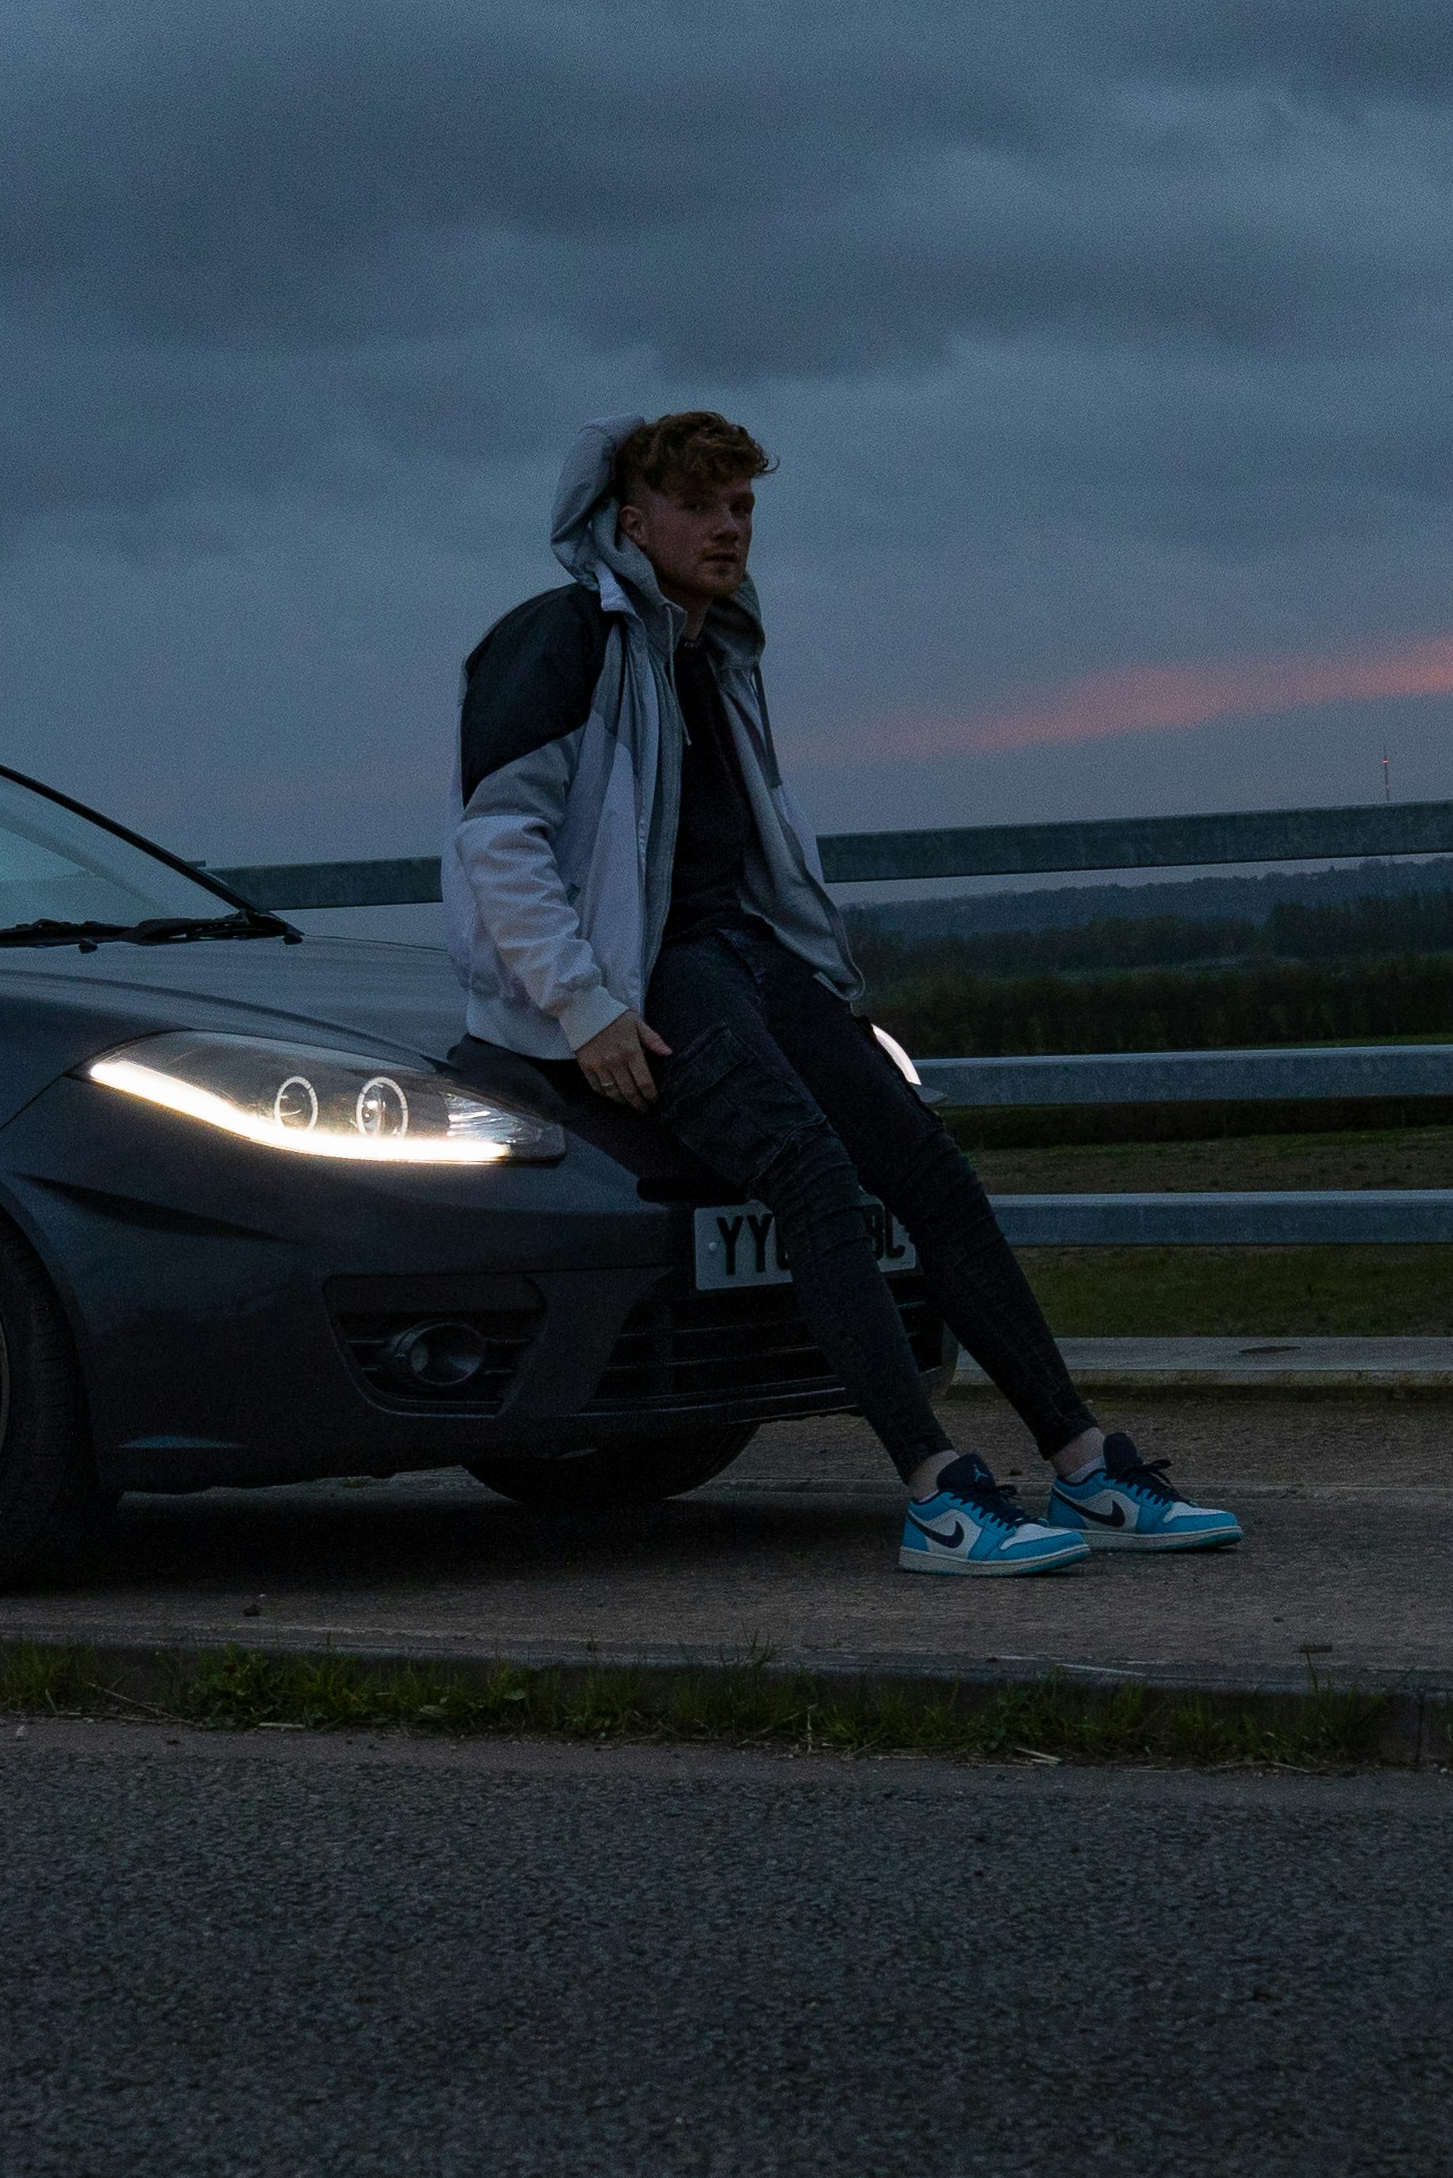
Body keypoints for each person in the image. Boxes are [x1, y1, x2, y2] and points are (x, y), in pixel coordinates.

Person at [443, 412, 1245, 1577]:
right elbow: (500, 840)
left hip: (742, 950)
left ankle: (1085, 1464)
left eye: (743, 507)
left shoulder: (716, 652)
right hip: (644, 975)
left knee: (923, 1163)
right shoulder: (559, 641)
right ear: (628, 522)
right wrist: (584, 1005)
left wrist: (820, 974)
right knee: (810, 1174)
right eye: (702, 506)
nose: (729, 528)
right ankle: (935, 1494)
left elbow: (754, 838)